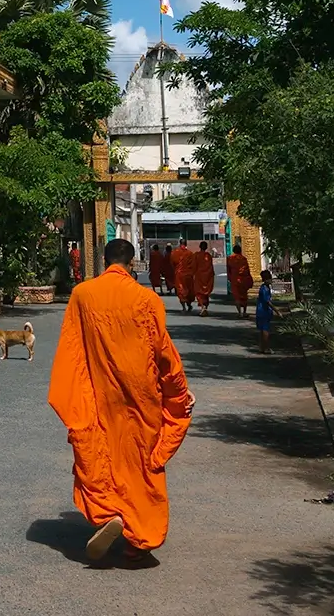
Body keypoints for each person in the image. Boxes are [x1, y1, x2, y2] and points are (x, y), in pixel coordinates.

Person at [48, 238, 194, 567]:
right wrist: (178, 393)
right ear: (132, 263)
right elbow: (163, 352)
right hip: (142, 397)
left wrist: (77, 393)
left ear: (103, 260)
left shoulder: (82, 295)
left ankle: (110, 512)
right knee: (142, 463)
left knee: (100, 454)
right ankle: (136, 542)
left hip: (99, 393)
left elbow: (73, 349)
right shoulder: (147, 299)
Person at [226, 243, 253, 317]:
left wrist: (230, 278)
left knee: (237, 297)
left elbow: (228, 270)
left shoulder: (230, 258)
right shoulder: (244, 259)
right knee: (244, 296)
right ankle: (244, 312)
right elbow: (247, 270)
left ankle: (239, 313)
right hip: (243, 279)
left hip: (234, 279)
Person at [192, 240, 215, 316]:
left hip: (199, 276)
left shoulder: (196, 255)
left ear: (199, 247)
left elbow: (194, 266)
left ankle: (203, 307)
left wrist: (193, 274)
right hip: (208, 277)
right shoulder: (208, 256)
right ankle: (205, 307)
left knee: (199, 293)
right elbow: (211, 267)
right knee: (206, 293)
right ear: (206, 247)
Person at [255, 270, 275, 353]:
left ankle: (261, 347)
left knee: (262, 330)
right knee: (265, 330)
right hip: (264, 311)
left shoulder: (264, 287)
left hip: (260, 310)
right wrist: (277, 311)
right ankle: (266, 348)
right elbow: (268, 302)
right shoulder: (265, 289)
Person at [172, 242, 194, 312]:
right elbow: (193, 264)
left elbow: (172, 263)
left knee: (180, 290)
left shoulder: (175, 252)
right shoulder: (190, 253)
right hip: (188, 274)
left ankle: (184, 307)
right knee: (189, 290)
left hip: (179, 274)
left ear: (180, 244)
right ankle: (189, 305)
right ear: (186, 244)